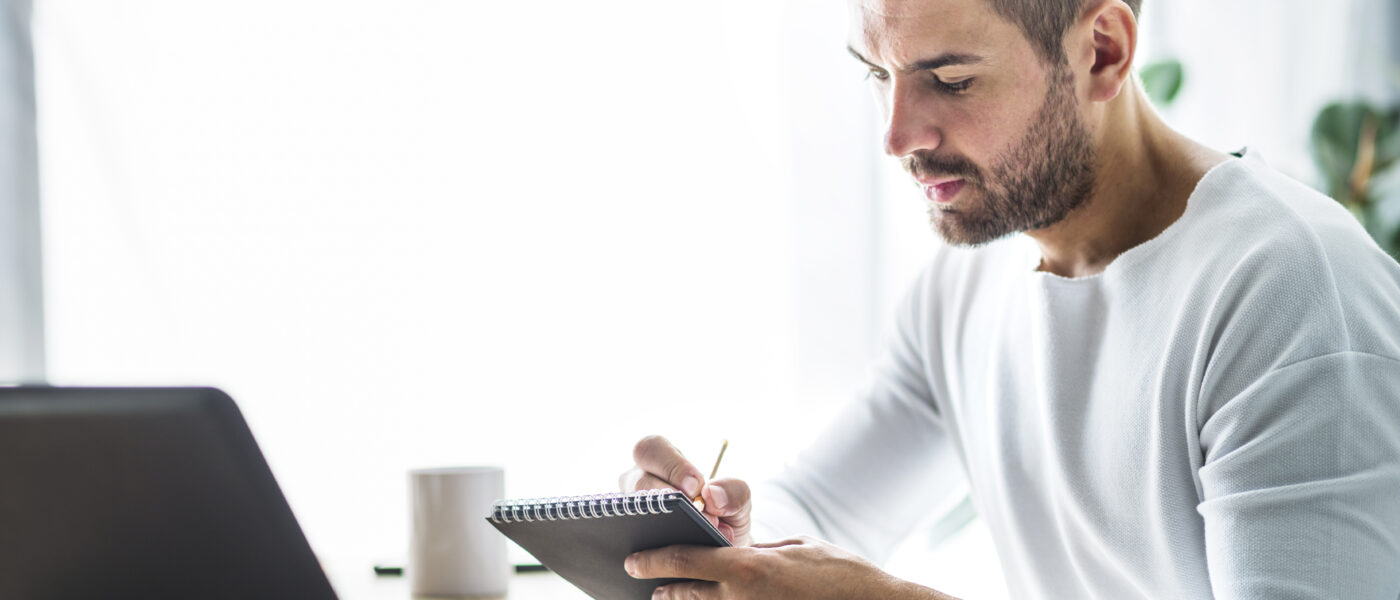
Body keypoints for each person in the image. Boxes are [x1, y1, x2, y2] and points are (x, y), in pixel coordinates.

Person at [619, 0, 1400, 597]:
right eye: (877, 74)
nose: (896, 136)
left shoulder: (1292, 295)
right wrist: (711, 529)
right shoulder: (972, 280)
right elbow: (821, 505)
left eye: (951, 80)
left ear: (1103, 52)